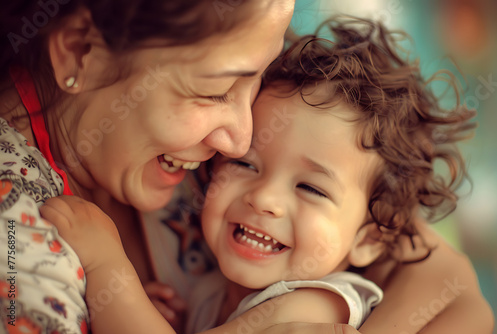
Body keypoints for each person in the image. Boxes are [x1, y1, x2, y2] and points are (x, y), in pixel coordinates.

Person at [40, 17, 494, 334]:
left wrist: (107, 270)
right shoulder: (216, 289)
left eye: (312, 188)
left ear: (370, 239)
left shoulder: (316, 305)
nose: (265, 199)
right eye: (244, 164)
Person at [0, 1, 294, 333]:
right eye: (217, 92)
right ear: (80, 51)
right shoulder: (14, 247)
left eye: (261, 76)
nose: (241, 143)